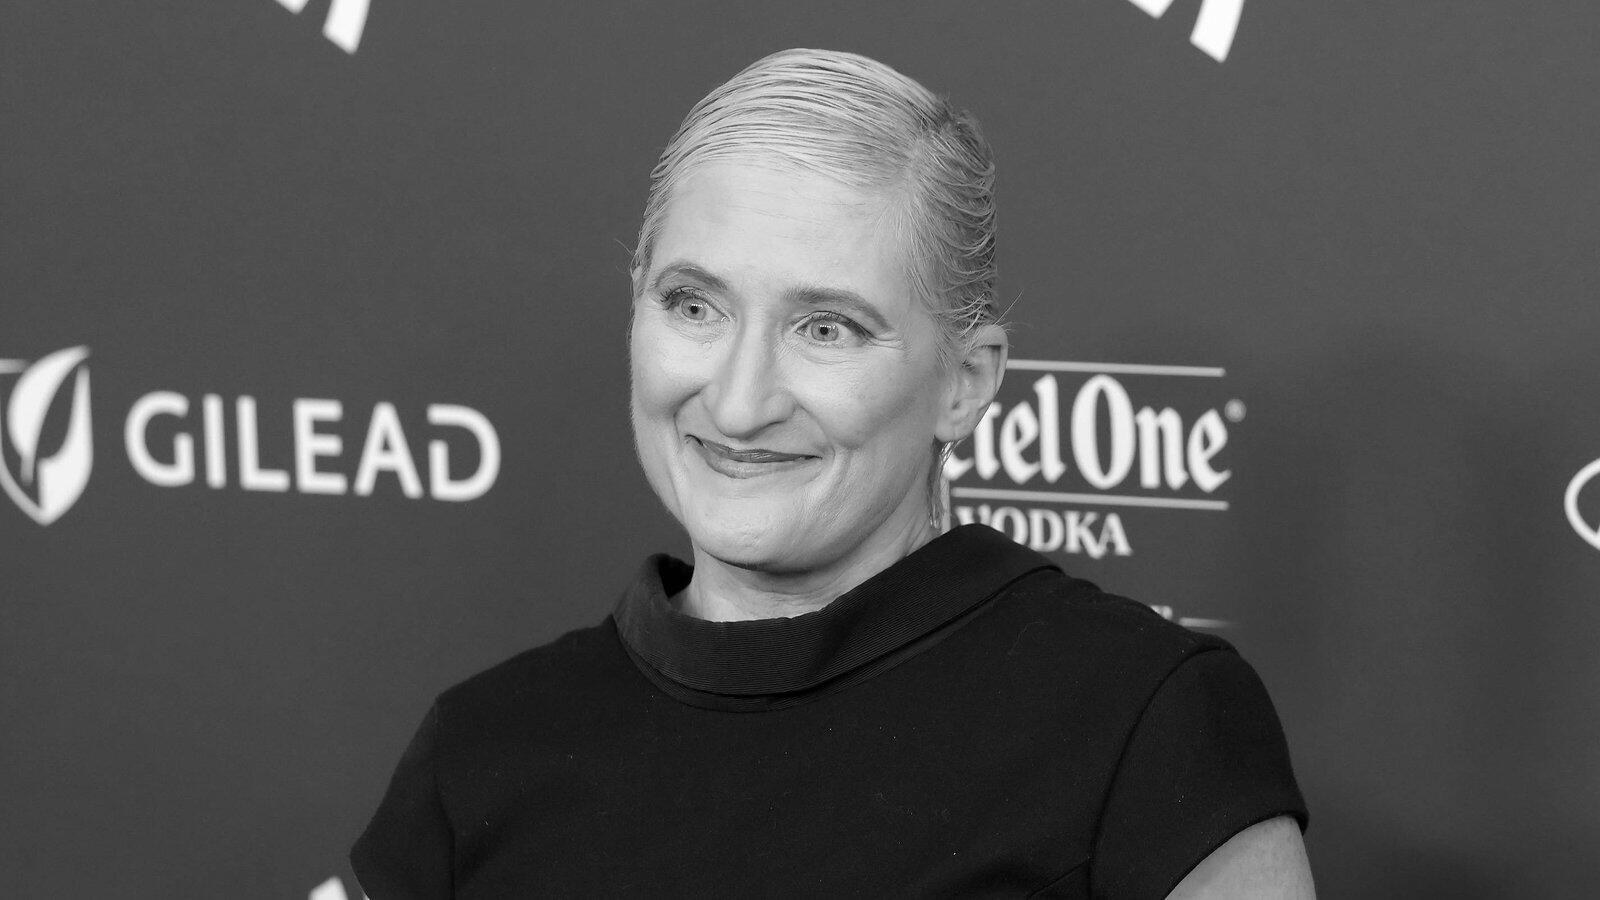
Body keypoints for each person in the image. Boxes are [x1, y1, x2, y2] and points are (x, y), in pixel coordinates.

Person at [352, 48, 1313, 898]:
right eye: (693, 306)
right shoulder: (477, 755)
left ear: (965, 385)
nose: (740, 403)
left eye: (826, 328)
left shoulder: (1146, 727)